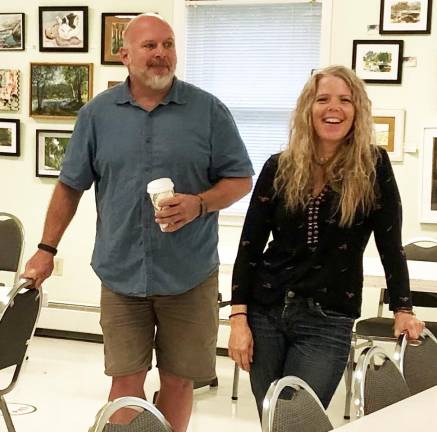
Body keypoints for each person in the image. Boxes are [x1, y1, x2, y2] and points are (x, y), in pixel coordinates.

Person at [22, 13, 253, 432]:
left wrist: (199, 203)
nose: (161, 54)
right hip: (121, 272)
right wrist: (46, 250)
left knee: (179, 381)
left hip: (189, 274)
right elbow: (69, 186)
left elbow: (240, 179)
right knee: (125, 385)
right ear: (125, 55)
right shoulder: (97, 115)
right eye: (150, 46)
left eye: (168, 45)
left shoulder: (208, 111)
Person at [227, 65, 424, 417]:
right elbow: (249, 247)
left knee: (299, 420)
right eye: (323, 99)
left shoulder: (373, 166)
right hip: (265, 312)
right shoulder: (280, 166)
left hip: (328, 316)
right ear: (308, 109)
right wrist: (238, 319)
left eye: (344, 100)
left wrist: (403, 309)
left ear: (357, 111)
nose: (334, 107)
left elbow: (390, 244)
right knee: (271, 418)